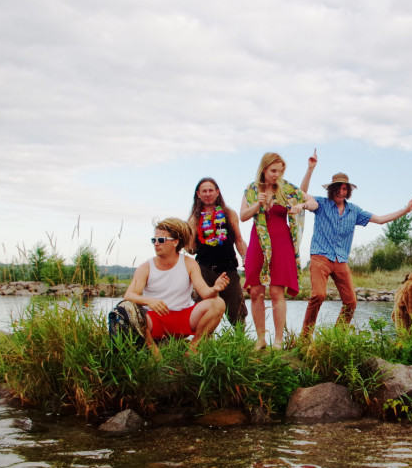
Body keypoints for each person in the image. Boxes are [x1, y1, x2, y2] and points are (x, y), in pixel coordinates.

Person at [300, 166, 412, 336]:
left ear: (348, 191)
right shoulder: (321, 204)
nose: (341, 192)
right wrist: (311, 168)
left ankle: (337, 336)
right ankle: (305, 337)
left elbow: (379, 220)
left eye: (345, 188)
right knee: (318, 295)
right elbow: (301, 193)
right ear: (332, 189)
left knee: (351, 301)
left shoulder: (354, 211)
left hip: (341, 260)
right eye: (338, 188)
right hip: (320, 256)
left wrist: (405, 210)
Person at [240, 151, 319, 349]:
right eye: (273, 170)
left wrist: (301, 205)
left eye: (280, 171)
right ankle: (260, 340)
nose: (276, 174)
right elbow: (242, 216)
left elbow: (314, 203)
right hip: (258, 241)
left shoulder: (286, 188)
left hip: (281, 242)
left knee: (277, 291)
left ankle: (278, 340)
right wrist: (258, 203)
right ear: (264, 168)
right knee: (256, 291)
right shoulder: (251, 189)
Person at [123, 217, 229, 355]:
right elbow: (128, 295)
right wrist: (148, 301)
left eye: (161, 240)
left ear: (175, 242)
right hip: (154, 320)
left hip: (182, 318)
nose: (156, 244)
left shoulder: (189, 263)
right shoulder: (146, 267)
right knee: (131, 311)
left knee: (218, 303)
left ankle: (192, 349)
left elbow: (205, 293)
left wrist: (215, 289)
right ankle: (153, 351)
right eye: (153, 240)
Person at [187, 177, 248, 327]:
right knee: (202, 310)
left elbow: (239, 240)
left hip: (228, 269)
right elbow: (191, 249)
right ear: (198, 194)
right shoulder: (194, 218)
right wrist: (184, 239)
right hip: (204, 270)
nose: (207, 194)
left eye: (210, 190)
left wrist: (246, 258)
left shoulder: (229, 214)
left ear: (217, 192)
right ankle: (201, 345)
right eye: (204, 191)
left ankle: (241, 344)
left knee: (236, 311)